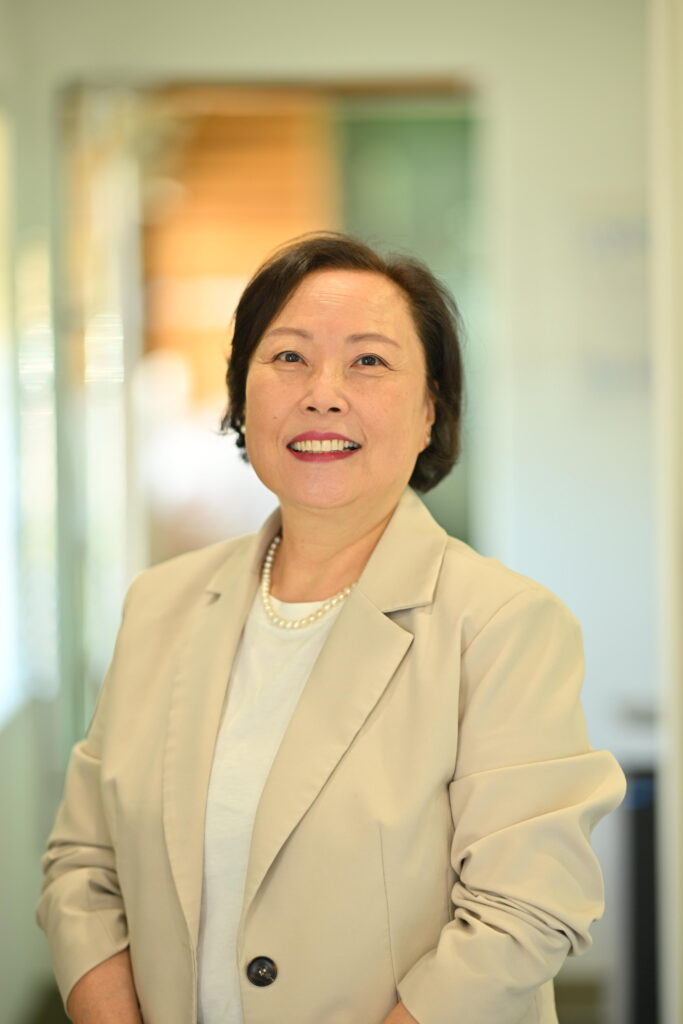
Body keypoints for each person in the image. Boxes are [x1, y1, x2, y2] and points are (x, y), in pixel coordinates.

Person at [37, 232, 626, 1024]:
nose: (322, 393)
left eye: (368, 361)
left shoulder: (502, 626)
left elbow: (524, 913)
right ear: (241, 395)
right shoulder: (158, 606)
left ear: (429, 411)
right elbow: (83, 866)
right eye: (288, 357)